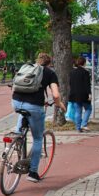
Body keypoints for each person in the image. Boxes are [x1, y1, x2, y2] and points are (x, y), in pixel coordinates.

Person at [12, 52, 67, 183]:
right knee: (37, 138)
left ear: (38, 60)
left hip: (16, 102)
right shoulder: (50, 73)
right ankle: (33, 172)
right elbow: (55, 95)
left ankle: (17, 136)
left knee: (23, 111)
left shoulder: (26, 67)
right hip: (34, 107)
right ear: (49, 63)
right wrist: (60, 105)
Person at [69, 56, 92, 132]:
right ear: (84, 63)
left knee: (78, 111)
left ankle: (78, 127)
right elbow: (87, 84)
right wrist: (89, 94)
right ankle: (83, 124)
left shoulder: (72, 72)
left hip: (74, 94)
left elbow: (70, 84)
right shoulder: (85, 72)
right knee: (88, 109)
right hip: (84, 94)